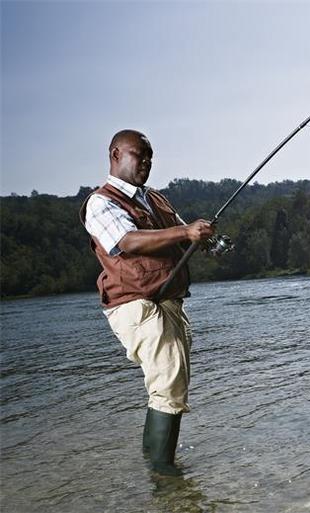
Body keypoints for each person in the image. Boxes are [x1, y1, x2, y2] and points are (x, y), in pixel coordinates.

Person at [80, 129, 215, 475]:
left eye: (150, 156)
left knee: (172, 382)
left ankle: (154, 465)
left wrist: (203, 239)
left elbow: (182, 235)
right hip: (134, 304)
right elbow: (129, 241)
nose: (147, 162)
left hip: (169, 300)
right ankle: (164, 476)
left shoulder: (156, 199)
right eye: (140, 155)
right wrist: (185, 233)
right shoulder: (101, 202)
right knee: (168, 380)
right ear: (115, 155)